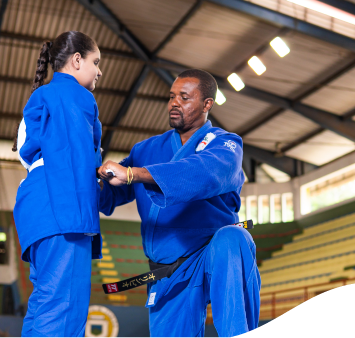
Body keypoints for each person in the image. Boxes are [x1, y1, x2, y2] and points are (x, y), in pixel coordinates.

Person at [97, 69, 260, 338]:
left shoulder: (225, 144)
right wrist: (88, 169)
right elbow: (109, 195)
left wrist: (133, 174)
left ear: (207, 104)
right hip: (169, 270)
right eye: (172, 96)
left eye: (184, 97)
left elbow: (202, 173)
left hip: (212, 254)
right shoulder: (145, 150)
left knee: (234, 237)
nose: (174, 102)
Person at [12, 31, 103, 337]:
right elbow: (76, 157)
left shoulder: (41, 96)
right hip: (63, 212)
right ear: (77, 61)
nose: (99, 71)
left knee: (43, 307)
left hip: (36, 213)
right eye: (95, 62)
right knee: (64, 313)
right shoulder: (76, 96)